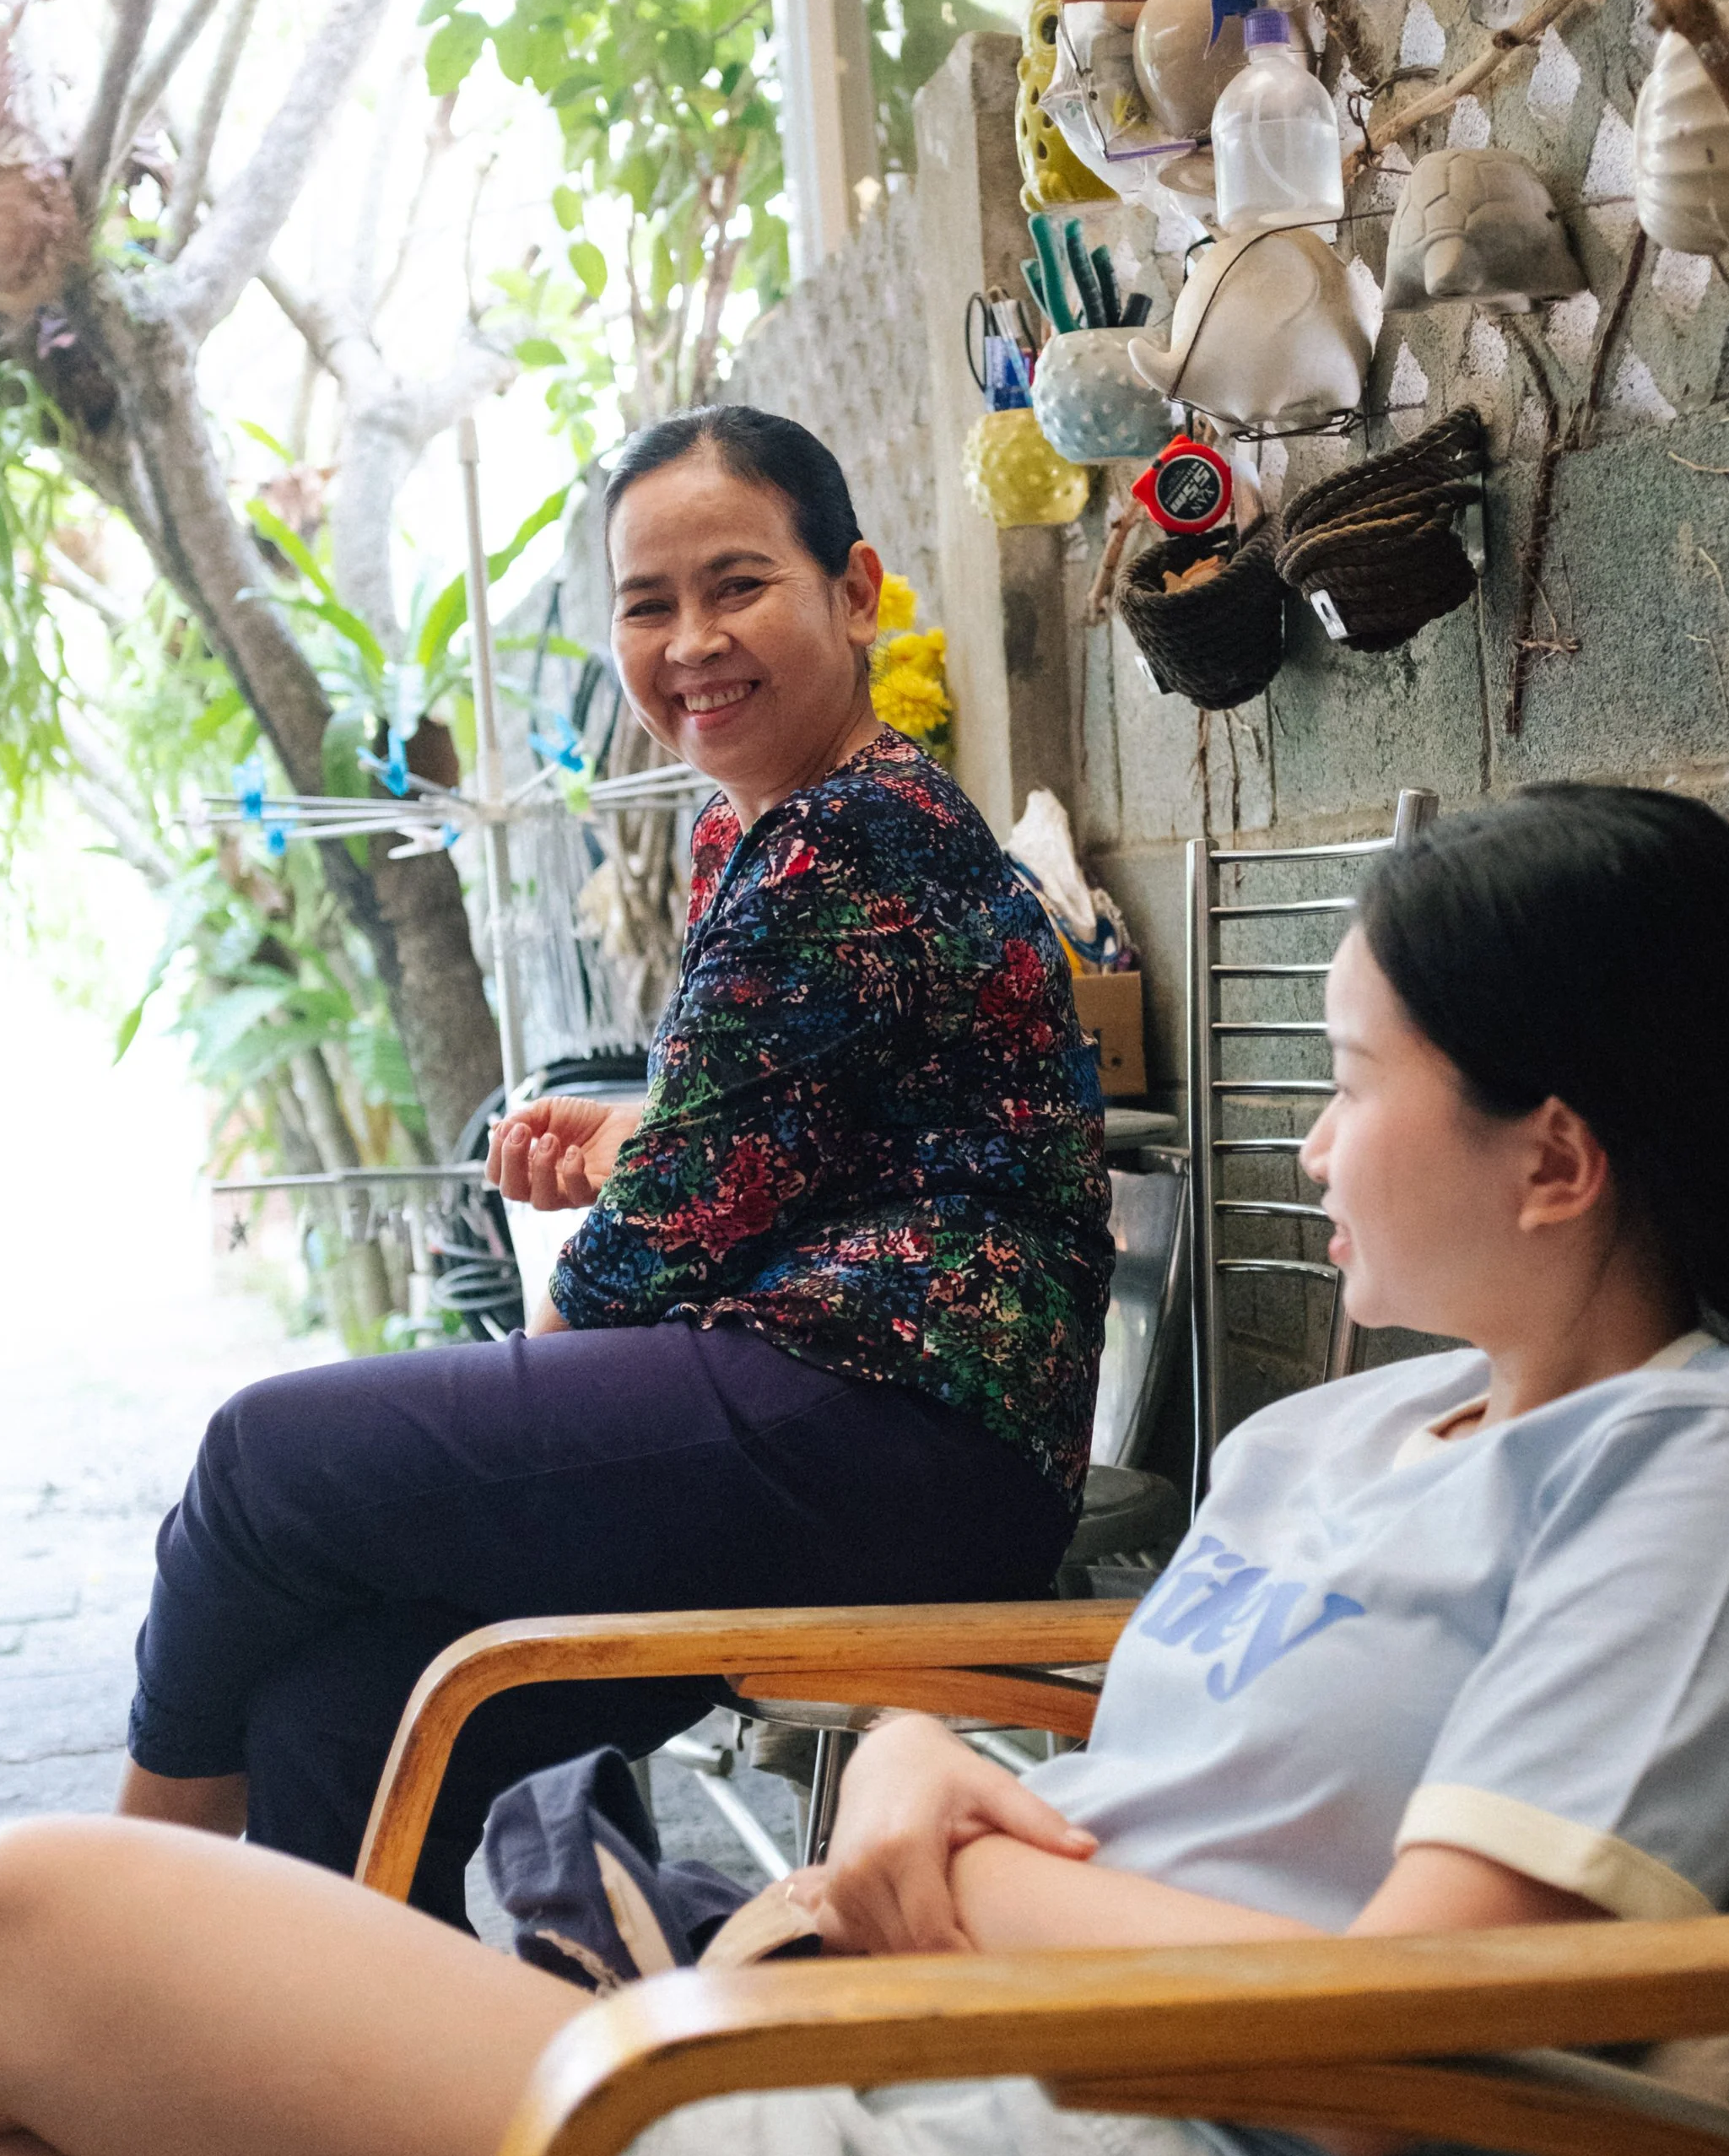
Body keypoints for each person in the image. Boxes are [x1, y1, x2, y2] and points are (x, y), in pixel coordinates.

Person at [0, 786, 1729, 2156]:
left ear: (1550, 1163)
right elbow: (1172, 1793)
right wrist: (919, 1765)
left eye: (1353, 1084)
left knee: (25, 1911)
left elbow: (1410, 2049)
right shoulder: (1335, 1441)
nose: (1299, 1139)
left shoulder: (1696, 1479)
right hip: (905, 2075)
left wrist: (945, 1865)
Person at [112, 405, 1115, 1932]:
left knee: (265, 1468)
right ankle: (345, 2110)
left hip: (908, 1430)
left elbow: (646, 1256)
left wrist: (522, 1414)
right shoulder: (759, 834)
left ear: (855, 592)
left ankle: (120, 1928)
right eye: (647, 605)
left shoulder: (854, 839)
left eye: (737, 584)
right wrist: (647, 1140)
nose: (690, 639)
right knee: (343, 1699)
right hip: (851, 1418)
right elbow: (780, 1131)